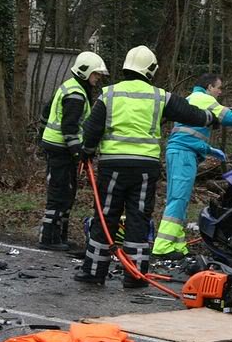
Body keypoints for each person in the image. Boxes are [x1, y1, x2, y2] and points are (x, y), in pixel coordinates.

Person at [73, 45, 218, 287]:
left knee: (105, 216)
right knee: (138, 219)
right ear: (150, 70)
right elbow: (191, 113)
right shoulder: (160, 96)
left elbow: (91, 130)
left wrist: (86, 152)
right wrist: (211, 118)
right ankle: (135, 275)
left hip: (113, 167)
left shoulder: (108, 95)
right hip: (144, 168)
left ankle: (94, 272)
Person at [151, 73, 232, 260]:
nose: (220, 92)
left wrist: (209, 149)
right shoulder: (203, 99)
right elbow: (230, 117)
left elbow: (189, 135)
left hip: (181, 152)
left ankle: (176, 243)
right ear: (209, 87)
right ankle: (162, 246)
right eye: (218, 88)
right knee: (178, 199)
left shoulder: (192, 98)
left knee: (179, 199)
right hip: (183, 155)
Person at [38, 51, 109, 251]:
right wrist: (79, 152)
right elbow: (69, 127)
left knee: (67, 193)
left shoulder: (70, 87)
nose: (98, 78)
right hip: (61, 149)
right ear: (86, 72)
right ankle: (48, 238)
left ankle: (60, 236)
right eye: (96, 74)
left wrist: (41, 137)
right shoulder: (76, 94)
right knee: (59, 193)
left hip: (59, 148)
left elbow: (46, 112)